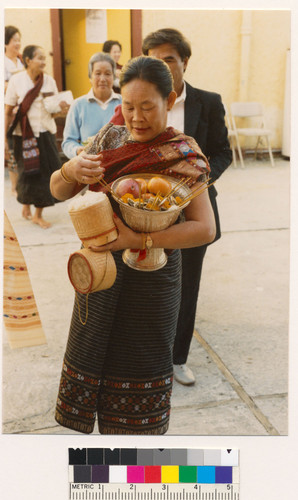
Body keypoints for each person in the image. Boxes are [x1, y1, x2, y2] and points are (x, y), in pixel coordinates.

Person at [51, 56, 216, 435]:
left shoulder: (183, 152)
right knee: (93, 355)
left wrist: (139, 238)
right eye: (128, 106)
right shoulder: (110, 138)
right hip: (100, 273)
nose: (136, 118)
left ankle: (138, 465)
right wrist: (69, 170)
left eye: (147, 107)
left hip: (152, 281)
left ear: (170, 100)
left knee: (140, 370)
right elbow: (57, 190)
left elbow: (204, 228)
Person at [142, 28, 232, 385]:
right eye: (153, 59)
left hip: (195, 213)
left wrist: (201, 182)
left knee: (187, 286)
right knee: (148, 286)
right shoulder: (143, 103)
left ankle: (177, 359)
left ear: (184, 62)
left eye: (168, 59)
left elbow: (223, 151)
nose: (162, 67)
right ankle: (147, 357)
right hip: (147, 210)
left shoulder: (207, 102)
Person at [4, 45, 69, 228]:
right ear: (28, 60)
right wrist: (3, 139)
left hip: (45, 132)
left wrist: (62, 109)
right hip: (22, 135)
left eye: (44, 58)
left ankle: (37, 214)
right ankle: (27, 208)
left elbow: (54, 111)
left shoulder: (48, 81)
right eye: (39, 58)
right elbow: (8, 111)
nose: (43, 61)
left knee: (46, 173)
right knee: (26, 173)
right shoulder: (16, 81)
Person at [61, 52, 121, 159]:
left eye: (107, 74)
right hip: (88, 164)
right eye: (98, 74)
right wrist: (78, 150)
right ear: (90, 77)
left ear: (113, 77)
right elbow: (68, 141)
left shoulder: (124, 103)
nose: (102, 79)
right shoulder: (78, 105)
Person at [4, 25, 24, 194]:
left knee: (21, 145)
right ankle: (13, 186)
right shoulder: (1, 61)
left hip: (22, 110)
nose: (17, 43)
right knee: (10, 146)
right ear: (5, 42)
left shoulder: (21, 60)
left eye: (19, 40)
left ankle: (22, 183)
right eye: (14, 40)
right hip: (8, 109)